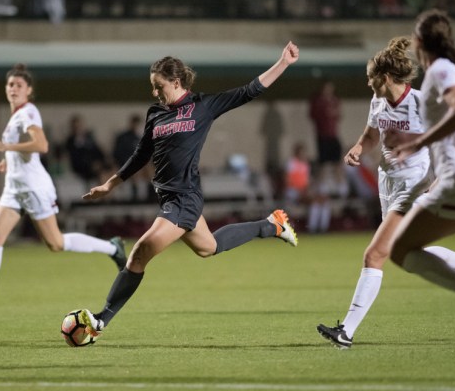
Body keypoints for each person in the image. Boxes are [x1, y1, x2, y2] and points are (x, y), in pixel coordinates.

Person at [77, 42, 301, 338]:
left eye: (159, 86)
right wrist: (110, 184)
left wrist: (282, 62)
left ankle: (100, 320)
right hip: (169, 198)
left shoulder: (202, 106)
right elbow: (140, 155)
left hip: (184, 199)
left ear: (176, 82)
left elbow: (249, 90)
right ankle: (271, 225)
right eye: (152, 87)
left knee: (139, 254)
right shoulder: (155, 114)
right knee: (208, 248)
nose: (154, 93)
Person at [316, 36, 455, 349]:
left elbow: (446, 143)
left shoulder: (422, 104)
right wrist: (358, 147)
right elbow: (371, 134)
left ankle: (346, 332)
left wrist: (437, 179)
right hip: (388, 181)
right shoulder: (378, 101)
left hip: (414, 183)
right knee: (404, 251)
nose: (368, 83)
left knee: (375, 254)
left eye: (371, 78)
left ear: (384, 78)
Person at [0, 63, 127, 314]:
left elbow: (41, 144)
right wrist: (10, 161)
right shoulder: (16, 116)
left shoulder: (28, 112)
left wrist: (6, 149)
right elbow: (25, 149)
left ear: (29, 90)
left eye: (18, 85)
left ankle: (112, 247)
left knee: (55, 243)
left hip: (34, 188)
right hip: (14, 189)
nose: (13, 88)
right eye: (10, 84)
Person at [389, 9, 455, 345]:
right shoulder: (447, 70)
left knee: (401, 250)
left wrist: (418, 142)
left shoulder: (438, 71)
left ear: (419, 41)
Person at [64, 113, 110, 188]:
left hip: (96, 163)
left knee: (111, 171)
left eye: (79, 126)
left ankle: (107, 196)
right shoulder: (70, 141)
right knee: (102, 174)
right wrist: (91, 164)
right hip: (84, 167)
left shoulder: (88, 137)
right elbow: (76, 157)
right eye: (76, 127)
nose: (78, 129)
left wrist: (102, 160)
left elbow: (97, 150)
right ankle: (104, 197)